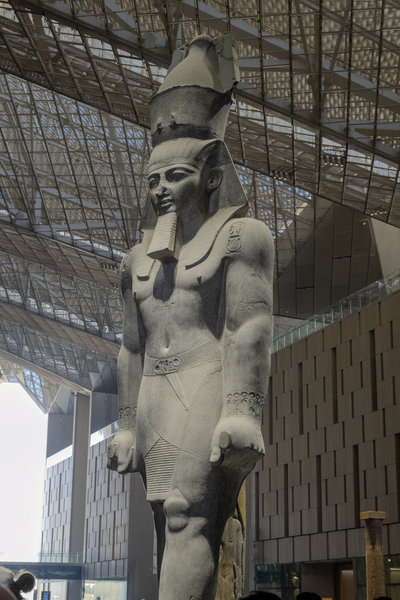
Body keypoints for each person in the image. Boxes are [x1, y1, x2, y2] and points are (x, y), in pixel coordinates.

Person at [107, 34, 273, 600]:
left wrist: (242, 408)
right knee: (166, 518)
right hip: (154, 392)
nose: (161, 190)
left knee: (185, 513)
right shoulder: (135, 261)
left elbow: (248, 326)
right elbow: (132, 346)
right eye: (153, 180)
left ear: (211, 175)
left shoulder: (242, 237)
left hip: (206, 378)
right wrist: (125, 423)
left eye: (175, 176)